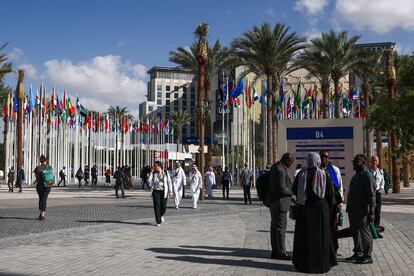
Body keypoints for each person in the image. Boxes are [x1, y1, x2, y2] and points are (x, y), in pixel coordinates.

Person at [292, 152, 337, 273]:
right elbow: (330, 194)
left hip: (304, 210)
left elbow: (294, 189)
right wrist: (329, 209)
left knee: (305, 238)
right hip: (321, 211)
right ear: (317, 161)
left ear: (308, 161)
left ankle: (304, 265)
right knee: (321, 238)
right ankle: (321, 265)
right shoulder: (323, 174)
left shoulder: (301, 174)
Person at [346, 154, 376, 264]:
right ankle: (358, 252)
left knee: (365, 232)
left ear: (363, 163)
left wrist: (372, 211)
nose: (354, 163)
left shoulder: (368, 175)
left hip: (363, 210)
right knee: (355, 232)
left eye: (357, 162)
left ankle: (367, 255)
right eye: (354, 161)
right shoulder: (356, 175)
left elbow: (372, 195)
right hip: (353, 210)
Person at [265, 153, 294, 260]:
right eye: (291, 162)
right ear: (287, 160)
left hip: (274, 203)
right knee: (281, 228)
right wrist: (292, 192)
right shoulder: (281, 170)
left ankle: (275, 251)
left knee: (274, 228)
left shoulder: (275, 166)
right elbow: (282, 189)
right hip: (279, 204)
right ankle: (281, 252)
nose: (291, 165)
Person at [320, 150, 344, 253]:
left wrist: (340, 202)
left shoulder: (335, 170)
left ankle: (333, 249)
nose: (324, 159)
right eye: (322, 157)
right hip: (321, 204)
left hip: (333, 204)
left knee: (333, 227)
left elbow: (339, 187)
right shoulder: (317, 170)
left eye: (326, 157)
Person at [148, 161, 173, 226]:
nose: (154, 167)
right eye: (154, 166)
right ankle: (158, 221)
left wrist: (170, 191)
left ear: (159, 166)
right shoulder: (153, 173)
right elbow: (149, 182)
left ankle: (161, 215)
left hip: (164, 191)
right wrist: (151, 173)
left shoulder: (166, 173)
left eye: (155, 166)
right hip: (156, 191)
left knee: (164, 206)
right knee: (156, 206)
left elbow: (169, 182)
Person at [369, 155, 385, 237]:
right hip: (370, 194)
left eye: (375, 160)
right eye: (372, 160)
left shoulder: (381, 171)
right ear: (370, 162)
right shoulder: (367, 172)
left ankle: (376, 229)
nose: (374, 162)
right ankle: (370, 230)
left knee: (377, 211)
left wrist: (382, 188)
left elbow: (382, 181)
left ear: (378, 162)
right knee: (370, 211)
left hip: (377, 193)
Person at [34, 155, 51, 221]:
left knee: (41, 199)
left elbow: (36, 177)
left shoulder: (37, 168)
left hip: (39, 186)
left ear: (40, 161)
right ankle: (43, 215)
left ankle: (40, 214)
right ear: (45, 161)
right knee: (44, 199)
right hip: (47, 185)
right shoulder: (49, 167)